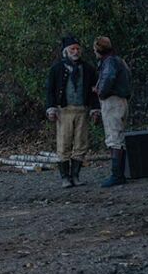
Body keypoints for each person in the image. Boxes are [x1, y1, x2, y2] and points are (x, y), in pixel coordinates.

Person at [45, 36, 100, 187]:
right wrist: (51, 109)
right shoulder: (56, 68)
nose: (75, 52)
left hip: (82, 110)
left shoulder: (88, 69)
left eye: (77, 49)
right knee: (64, 143)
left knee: (81, 144)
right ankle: (64, 178)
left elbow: (94, 91)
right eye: (72, 49)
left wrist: (95, 109)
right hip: (64, 111)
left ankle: (75, 176)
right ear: (66, 51)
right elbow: (50, 90)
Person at [93, 37, 132, 188]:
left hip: (113, 101)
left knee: (114, 137)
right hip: (120, 100)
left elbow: (108, 78)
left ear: (98, 49)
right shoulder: (118, 60)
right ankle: (119, 174)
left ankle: (117, 175)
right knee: (117, 136)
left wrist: (100, 91)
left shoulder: (109, 62)